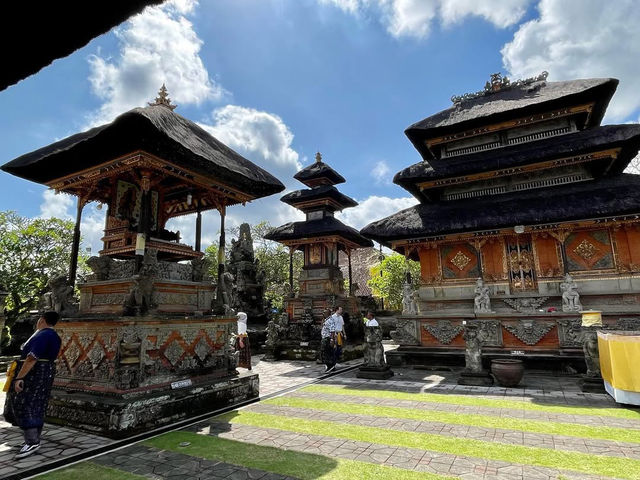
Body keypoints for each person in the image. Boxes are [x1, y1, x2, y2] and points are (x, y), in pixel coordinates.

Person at [3, 311, 62, 459]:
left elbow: (31, 358)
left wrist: (20, 377)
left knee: (25, 403)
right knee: (38, 403)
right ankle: (33, 438)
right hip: (45, 371)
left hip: (34, 373)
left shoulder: (42, 335)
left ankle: (32, 441)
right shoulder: (54, 336)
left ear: (41, 320)